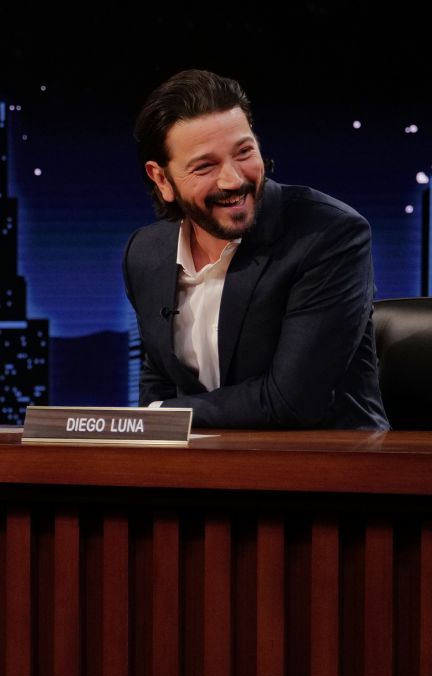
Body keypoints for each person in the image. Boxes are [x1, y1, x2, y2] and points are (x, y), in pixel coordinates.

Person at [123, 69, 390, 430]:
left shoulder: (328, 235)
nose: (234, 179)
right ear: (161, 179)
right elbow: (159, 374)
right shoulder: (145, 253)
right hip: (202, 461)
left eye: (244, 152)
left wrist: (158, 414)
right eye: (205, 166)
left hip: (325, 458)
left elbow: (290, 401)